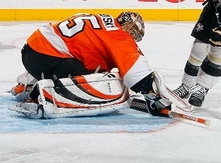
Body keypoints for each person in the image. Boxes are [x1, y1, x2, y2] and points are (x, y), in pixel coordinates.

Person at [11, 12, 173, 119]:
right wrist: (152, 96)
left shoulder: (104, 22)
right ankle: (36, 97)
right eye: (134, 32)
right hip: (48, 58)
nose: (132, 36)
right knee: (102, 84)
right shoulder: (119, 35)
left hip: (33, 51)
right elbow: (137, 75)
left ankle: (25, 84)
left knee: (88, 66)